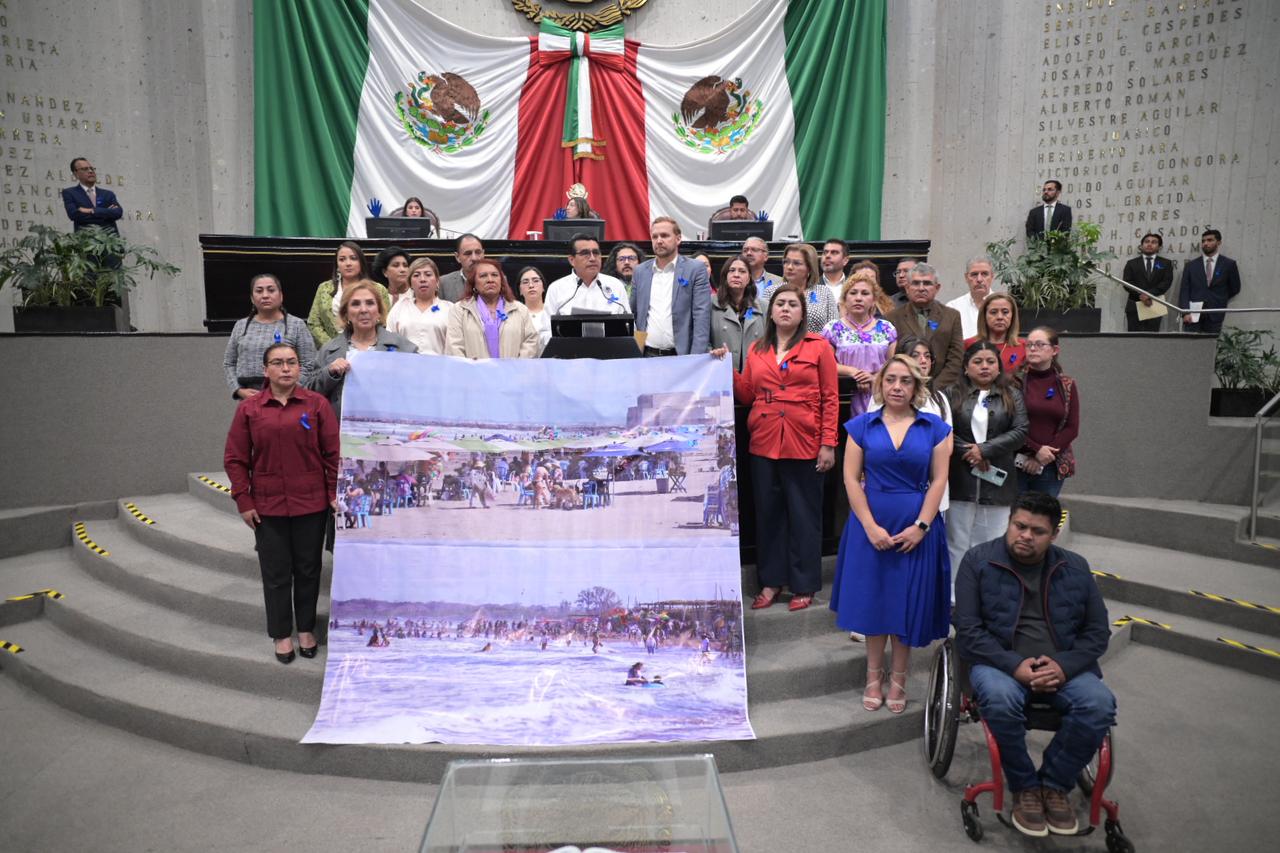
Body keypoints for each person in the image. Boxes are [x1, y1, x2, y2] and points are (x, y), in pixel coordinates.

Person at [954, 491, 1115, 838]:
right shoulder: (977, 562)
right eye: (1019, 526)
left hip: (1063, 667)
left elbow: (1097, 632)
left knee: (1099, 704)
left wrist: (1063, 666)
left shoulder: (1075, 568)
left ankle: (1054, 785)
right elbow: (968, 630)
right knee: (1000, 700)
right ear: (1009, 522)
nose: (1025, 535)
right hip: (999, 663)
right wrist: (1014, 665)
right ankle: (1025, 786)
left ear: (1054, 534)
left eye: (1037, 531)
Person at [830, 356, 952, 712]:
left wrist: (922, 526)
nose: (897, 387)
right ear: (881, 384)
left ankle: (899, 678)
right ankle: (873, 676)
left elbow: (939, 480)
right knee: (874, 602)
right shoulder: (861, 426)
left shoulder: (934, 428)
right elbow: (850, 479)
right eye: (891, 380)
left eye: (905, 381)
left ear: (916, 387)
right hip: (870, 524)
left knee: (906, 604)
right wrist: (870, 527)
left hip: (916, 526)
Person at [224, 342, 339, 664]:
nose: (285, 368)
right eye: (277, 363)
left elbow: (333, 454)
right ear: (265, 370)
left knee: (308, 569)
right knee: (276, 572)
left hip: (311, 503)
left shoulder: (316, 405)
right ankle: (281, 633)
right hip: (267, 505)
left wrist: (333, 493)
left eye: (291, 362)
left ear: (300, 368)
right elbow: (235, 458)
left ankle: (306, 628)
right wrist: (243, 499)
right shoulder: (250, 409)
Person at [731, 284, 839, 613]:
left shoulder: (819, 347)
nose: (786, 309)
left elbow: (830, 398)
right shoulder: (757, 348)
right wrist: (726, 368)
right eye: (780, 304)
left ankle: (803, 585)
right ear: (771, 311)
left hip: (804, 440)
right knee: (768, 516)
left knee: (805, 516)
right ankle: (771, 582)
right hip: (764, 442)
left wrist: (828, 443)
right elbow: (747, 394)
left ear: (802, 313)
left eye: (793, 304)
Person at [945, 342, 1029, 592]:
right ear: (966, 367)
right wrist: (971, 452)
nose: (984, 367)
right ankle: (955, 598)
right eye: (978, 361)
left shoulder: (1012, 394)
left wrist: (985, 450)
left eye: (990, 362)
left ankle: (987, 595)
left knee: (992, 542)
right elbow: (943, 430)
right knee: (957, 542)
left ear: (999, 366)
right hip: (960, 479)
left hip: (999, 482)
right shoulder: (951, 393)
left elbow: (1021, 431)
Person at [308, 281, 417, 420]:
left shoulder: (402, 347)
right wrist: (330, 373)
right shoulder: (329, 350)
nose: (363, 310)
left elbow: (420, 388)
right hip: (341, 429)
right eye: (355, 304)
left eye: (370, 303)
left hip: (391, 427)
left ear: (379, 311)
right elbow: (309, 394)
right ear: (346, 314)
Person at [223, 273, 316, 401]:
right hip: (249, 399)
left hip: (287, 398)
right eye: (259, 291)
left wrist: (289, 390)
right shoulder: (241, 326)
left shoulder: (296, 325)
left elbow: (309, 364)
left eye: (271, 290)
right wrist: (238, 390)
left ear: (281, 296)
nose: (265, 295)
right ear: (252, 298)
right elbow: (229, 363)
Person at [632, 216, 711, 356]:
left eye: (664, 235)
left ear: (678, 239)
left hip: (681, 356)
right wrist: (635, 354)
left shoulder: (695, 269)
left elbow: (701, 318)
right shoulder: (640, 271)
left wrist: (695, 359)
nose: (659, 241)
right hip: (647, 355)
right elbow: (634, 314)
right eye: (654, 237)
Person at [821, 272, 897, 417]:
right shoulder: (832, 329)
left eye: (865, 293)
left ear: (874, 300)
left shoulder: (887, 329)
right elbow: (826, 364)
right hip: (843, 396)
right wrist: (853, 372)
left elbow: (893, 364)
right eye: (853, 293)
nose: (858, 298)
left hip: (880, 396)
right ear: (844, 299)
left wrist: (874, 378)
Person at [1016, 328, 1080, 498]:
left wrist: (1043, 456)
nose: (1032, 348)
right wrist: (1036, 450)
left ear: (1055, 350)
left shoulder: (1067, 384)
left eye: (1039, 344)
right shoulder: (1014, 382)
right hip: (1016, 461)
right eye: (1029, 344)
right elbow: (1008, 423)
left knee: (1043, 513)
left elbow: (1072, 428)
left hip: (1050, 466)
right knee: (1015, 513)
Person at [886, 262, 965, 389]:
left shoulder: (952, 316)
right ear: (907, 288)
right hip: (904, 388)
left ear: (937, 288)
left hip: (943, 390)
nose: (921, 288)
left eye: (927, 283)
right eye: (916, 283)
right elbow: (890, 359)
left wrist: (934, 388)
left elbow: (956, 358)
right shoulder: (892, 318)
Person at [445, 258, 541, 359]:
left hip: (513, 369)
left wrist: (516, 366)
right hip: (472, 369)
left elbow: (531, 341)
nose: (490, 280)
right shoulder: (459, 310)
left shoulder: (520, 309)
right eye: (483, 276)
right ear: (474, 283)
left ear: (501, 281)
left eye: (494, 275)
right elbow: (454, 348)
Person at [306, 241, 391, 347]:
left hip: (370, 349)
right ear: (337, 265)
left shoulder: (378, 289)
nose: (348, 263)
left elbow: (385, 322)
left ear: (361, 262)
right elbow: (314, 323)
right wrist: (334, 346)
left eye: (353, 258)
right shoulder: (324, 288)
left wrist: (368, 346)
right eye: (342, 259)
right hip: (332, 350)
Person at [758, 243, 839, 334]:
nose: (789, 267)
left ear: (809, 268)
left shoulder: (824, 292)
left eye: (796, 263)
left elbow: (834, 329)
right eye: (786, 262)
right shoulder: (771, 291)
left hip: (817, 342)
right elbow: (763, 327)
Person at [545, 234, 630, 316]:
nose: (592, 258)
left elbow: (628, 322)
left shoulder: (615, 285)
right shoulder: (556, 289)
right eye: (585, 253)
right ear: (572, 260)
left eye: (596, 253)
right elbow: (547, 325)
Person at [1177, 228, 1242, 335]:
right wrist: (1185, 312)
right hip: (1193, 314)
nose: (1205, 243)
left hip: (1215, 312)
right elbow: (1184, 290)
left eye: (1210, 240)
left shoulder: (1229, 264)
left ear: (1218, 242)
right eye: (1203, 241)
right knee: (1190, 343)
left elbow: (1235, 288)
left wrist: (1220, 298)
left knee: (1211, 343)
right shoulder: (1191, 265)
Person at [386, 257, 452, 355]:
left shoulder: (449, 308)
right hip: (405, 363)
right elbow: (389, 341)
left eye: (428, 274)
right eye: (416, 275)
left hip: (440, 363)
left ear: (437, 281)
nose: (422, 279)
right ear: (410, 283)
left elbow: (455, 345)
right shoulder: (399, 307)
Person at [709, 255, 764, 371]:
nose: (736, 275)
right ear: (725, 276)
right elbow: (702, 340)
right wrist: (711, 352)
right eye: (732, 270)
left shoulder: (763, 307)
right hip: (720, 370)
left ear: (749, 278)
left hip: (754, 373)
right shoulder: (710, 304)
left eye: (742, 271)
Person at [1120, 233, 1173, 332]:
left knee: (1152, 338)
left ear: (1159, 247)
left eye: (1154, 242)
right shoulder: (1131, 263)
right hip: (1135, 305)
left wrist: (1149, 295)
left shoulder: (1166, 263)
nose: (1149, 244)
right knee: (1133, 338)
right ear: (1141, 245)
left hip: (1154, 304)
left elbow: (1166, 282)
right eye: (1147, 242)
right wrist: (1142, 295)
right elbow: (1127, 283)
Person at [965, 292, 1027, 373]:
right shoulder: (968, 345)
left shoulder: (1024, 346)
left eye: (1005, 312)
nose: (999, 317)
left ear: (1013, 316)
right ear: (984, 316)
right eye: (993, 312)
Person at [62, 158, 123, 234]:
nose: (90, 171)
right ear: (76, 174)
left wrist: (92, 210)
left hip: (110, 239)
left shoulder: (108, 194)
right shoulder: (70, 193)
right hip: (85, 239)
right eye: (85, 169)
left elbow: (118, 213)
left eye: (92, 168)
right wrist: (107, 213)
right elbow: (74, 215)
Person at [945, 256, 999, 339]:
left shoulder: (1003, 306)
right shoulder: (953, 307)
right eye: (974, 274)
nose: (979, 279)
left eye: (984, 274)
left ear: (992, 277)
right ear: (966, 277)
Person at [439, 234, 485, 303]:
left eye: (478, 252)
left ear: (483, 254)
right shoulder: (444, 283)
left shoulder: (497, 280)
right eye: (468, 253)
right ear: (457, 257)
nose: (474, 258)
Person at [516, 266, 552, 350]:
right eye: (525, 282)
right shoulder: (514, 314)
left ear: (543, 287)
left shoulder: (552, 311)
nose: (531, 285)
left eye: (536, 281)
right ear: (520, 290)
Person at [820, 239, 850, 304]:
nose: (827, 256)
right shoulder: (810, 285)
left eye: (834, 253)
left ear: (845, 260)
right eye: (825, 252)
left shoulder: (853, 285)